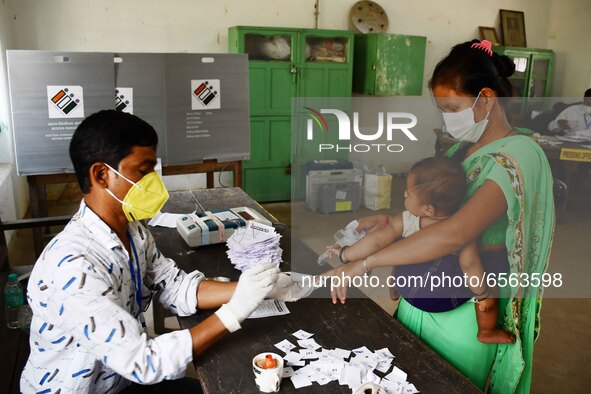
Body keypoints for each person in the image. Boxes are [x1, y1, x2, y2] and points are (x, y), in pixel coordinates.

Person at [325, 39, 555, 393]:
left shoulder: (518, 156)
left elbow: (453, 234)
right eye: (442, 110)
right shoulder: (462, 149)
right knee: (397, 376)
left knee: (442, 383)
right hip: (421, 287)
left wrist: (365, 263)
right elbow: (434, 211)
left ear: (487, 99)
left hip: (463, 306)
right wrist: (392, 221)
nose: (448, 119)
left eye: (451, 108)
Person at [20, 110, 293, 393]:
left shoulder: (133, 231)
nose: (154, 181)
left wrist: (261, 288)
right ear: (102, 174)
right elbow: (144, 361)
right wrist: (233, 312)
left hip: (118, 379)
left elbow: (174, 286)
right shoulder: (74, 266)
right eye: (143, 170)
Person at [328, 156, 514, 344]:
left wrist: (346, 254)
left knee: (401, 244)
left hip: (410, 289)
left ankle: (397, 287)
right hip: (437, 300)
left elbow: (376, 241)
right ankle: (486, 331)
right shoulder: (464, 232)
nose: (404, 196)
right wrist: (483, 294)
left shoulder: (408, 220)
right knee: (490, 289)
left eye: (408, 194)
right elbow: (469, 265)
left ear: (428, 209)